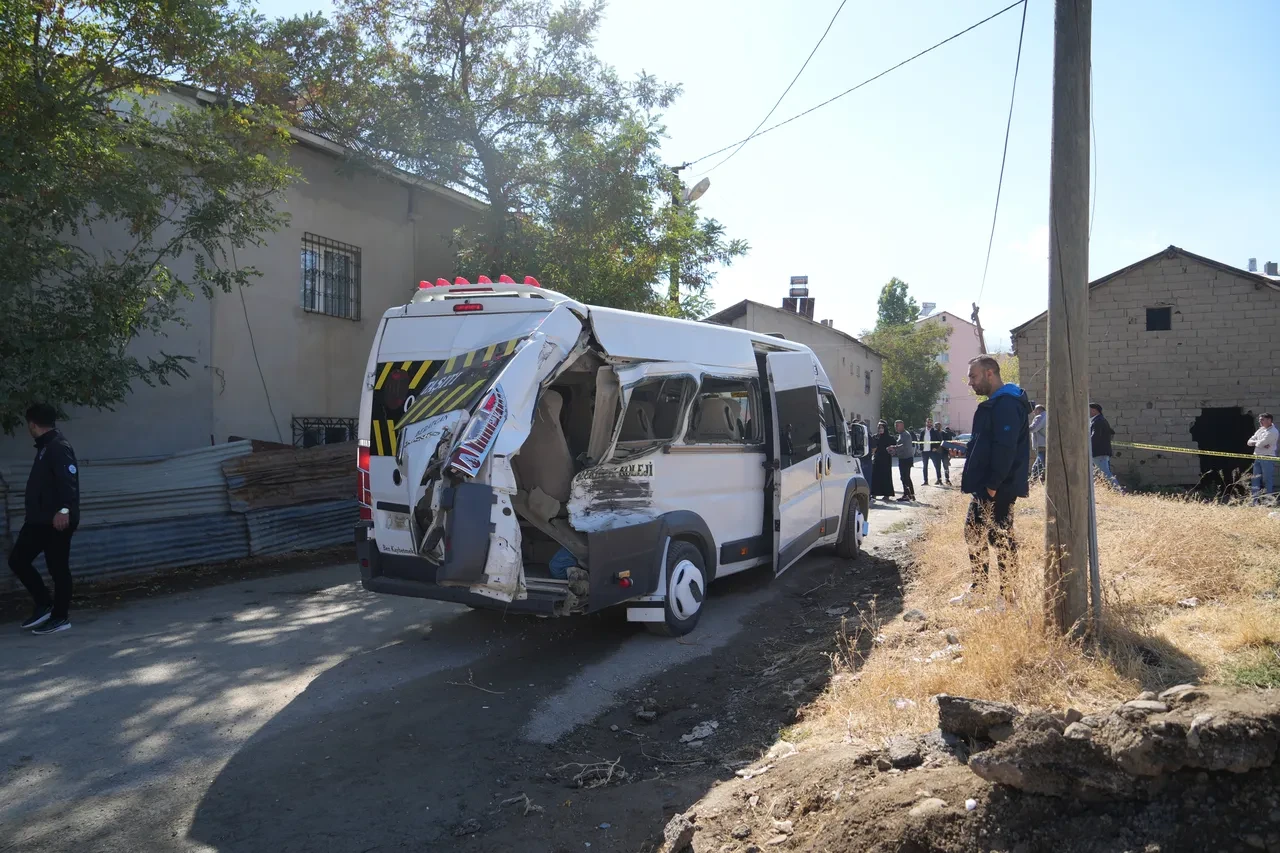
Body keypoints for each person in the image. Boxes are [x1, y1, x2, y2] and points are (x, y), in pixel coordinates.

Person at [959, 356, 1030, 600]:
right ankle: (979, 590)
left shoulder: (1007, 404)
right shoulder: (998, 403)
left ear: (990, 373)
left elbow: (1005, 448)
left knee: (1001, 538)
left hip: (999, 485)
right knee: (974, 532)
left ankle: (1007, 597)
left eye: (973, 376)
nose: (970, 383)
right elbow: (989, 443)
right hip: (989, 484)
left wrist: (992, 485)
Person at [8, 403, 80, 634]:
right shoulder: (46, 447)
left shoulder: (58, 446)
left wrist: (65, 510)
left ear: (32, 424)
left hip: (56, 519)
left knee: (58, 568)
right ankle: (45, 604)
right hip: (40, 519)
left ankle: (60, 617)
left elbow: (69, 480)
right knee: (18, 560)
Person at [1247, 412, 1278, 505]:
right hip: (1257, 456)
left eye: (1262, 420)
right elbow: (1249, 442)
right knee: (1255, 479)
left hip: (1267, 458)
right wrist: (1258, 443)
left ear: (1269, 420)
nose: (1260, 421)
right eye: (1259, 420)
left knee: (1267, 479)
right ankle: (1254, 501)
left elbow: (1260, 444)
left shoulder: (1273, 431)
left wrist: (1257, 443)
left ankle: (1268, 501)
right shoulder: (1260, 430)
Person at [1089, 403, 1122, 490]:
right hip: (1099, 452)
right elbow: (1111, 432)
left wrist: (1086, 445)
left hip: (1098, 452)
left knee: (1106, 473)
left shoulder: (1098, 421)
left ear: (1094, 410)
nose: (1087, 411)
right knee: (1095, 473)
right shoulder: (1098, 420)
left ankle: (1119, 491)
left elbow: (1094, 437)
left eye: (1089, 409)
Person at [871, 421, 896, 501]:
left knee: (886, 477)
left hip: (886, 460)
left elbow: (894, 448)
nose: (880, 429)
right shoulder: (875, 437)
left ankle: (887, 494)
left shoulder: (890, 438)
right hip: (877, 459)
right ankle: (874, 493)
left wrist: (892, 450)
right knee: (875, 476)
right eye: (879, 428)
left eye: (882, 427)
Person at [892, 419, 916, 502]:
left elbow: (903, 445)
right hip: (903, 458)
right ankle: (908, 494)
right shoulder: (901, 434)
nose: (896, 427)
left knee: (905, 477)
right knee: (904, 477)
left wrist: (894, 448)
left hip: (906, 459)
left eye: (897, 425)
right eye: (895, 425)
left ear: (902, 425)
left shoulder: (905, 434)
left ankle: (910, 495)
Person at [918, 417, 943, 486]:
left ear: (931, 423)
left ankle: (939, 479)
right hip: (924, 452)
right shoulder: (923, 431)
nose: (929, 423)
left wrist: (936, 448)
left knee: (937, 465)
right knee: (925, 467)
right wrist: (921, 448)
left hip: (933, 451)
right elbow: (920, 441)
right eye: (927, 422)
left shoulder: (935, 431)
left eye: (930, 422)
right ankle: (925, 481)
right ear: (926, 423)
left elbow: (940, 441)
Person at [1029, 404, 1047, 483]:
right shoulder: (1048, 416)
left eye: (1035, 410)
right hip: (1046, 444)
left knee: (1038, 466)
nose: (1033, 412)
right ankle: (1040, 480)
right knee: (1043, 465)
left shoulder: (1040, 417)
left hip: (1041, 444)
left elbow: (1033, 428)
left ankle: (1032, 482)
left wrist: (1023, 428)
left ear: (1039, 410)